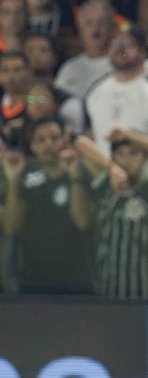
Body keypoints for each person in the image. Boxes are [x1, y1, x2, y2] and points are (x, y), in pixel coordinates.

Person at [83, 133, 148, 301]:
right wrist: (111, 167)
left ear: (145, 157)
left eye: (134, 153)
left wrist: (127, 134)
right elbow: (80, 143)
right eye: (120, 154)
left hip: (146, 290)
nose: (127, 160)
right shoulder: (106, 186)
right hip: (106, 289)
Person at [0, 117, 92, 294]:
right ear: (32, 146)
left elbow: (82, 222)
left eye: (54, 138)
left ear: (64, 141)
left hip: (77, 278)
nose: (48, 144)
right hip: (32, 278)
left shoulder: (80, 171)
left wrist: (74, 177)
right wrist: (13, 182)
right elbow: (11, 228)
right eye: (40, 140)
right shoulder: (23, 173)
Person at [84, 22, 148, 157]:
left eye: (127, 44)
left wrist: (130, 138)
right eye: (114, 44)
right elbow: (90, 142)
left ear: (143, 51)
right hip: (106, 174)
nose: (120, 49)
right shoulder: (95, 91)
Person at [54, 0, 113, 100]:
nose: (95, 28)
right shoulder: (69, 69)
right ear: (80, 30)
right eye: (89, 23)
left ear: (111, 28)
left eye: (101, 22)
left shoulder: (124, 63)